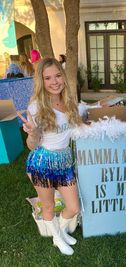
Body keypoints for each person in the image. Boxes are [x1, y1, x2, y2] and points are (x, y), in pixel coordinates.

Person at [18, 57, 81, 255]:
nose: (54, 82)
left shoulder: (69, 102)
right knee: (49, 205)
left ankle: (59, 233)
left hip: (64, 161)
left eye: (57, 76)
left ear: (63, 77)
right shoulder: (36, 107)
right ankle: (58, 238)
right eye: (48, 78)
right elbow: (31, 146)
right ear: (41, 81)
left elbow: (78, 127)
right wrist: (32, 133)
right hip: (42, 162)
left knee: (73, 206)